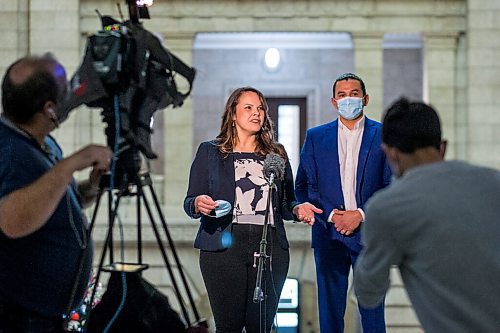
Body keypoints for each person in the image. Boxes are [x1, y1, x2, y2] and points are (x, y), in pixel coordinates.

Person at [354, 98, 500, 332]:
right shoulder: (493, 181)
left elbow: (368, 292)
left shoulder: (388, 208)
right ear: (443, 146)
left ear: (390, 154)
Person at [184, 87, 320, 333]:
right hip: (223, 246)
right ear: (233, 114)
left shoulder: (275, 153)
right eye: (248, 107)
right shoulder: (210, 152)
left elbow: (288, 202)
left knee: (261, 327)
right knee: (228, 327)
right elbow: (190, 201)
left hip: (269, 247)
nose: (256, 113)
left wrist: (299, 209)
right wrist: (197, 203)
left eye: (260, 108)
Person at [0, 55, 113, 332]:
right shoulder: (9, 151)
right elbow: (12, 220)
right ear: (50, 109)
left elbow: (53, 202)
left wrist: (92, 187)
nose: (74, 91)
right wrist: (72, 163)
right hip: (20, 321)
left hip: (45, 319)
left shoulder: (42, 143)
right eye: (67, 88)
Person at [295, 73, 391, 333]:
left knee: (372, 314)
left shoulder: (384, 136)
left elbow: (392, 186)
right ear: (334, 102)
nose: (348, 99)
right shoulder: (315, 137)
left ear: (365, 98)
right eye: (342, 95)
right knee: (330, 315)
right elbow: (302, 187)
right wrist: (331, 216)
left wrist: (360, 213)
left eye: (354, 93)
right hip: (328, 235)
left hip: (369, 235)